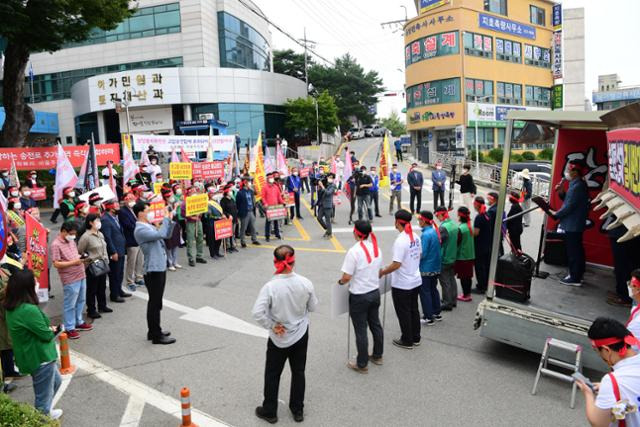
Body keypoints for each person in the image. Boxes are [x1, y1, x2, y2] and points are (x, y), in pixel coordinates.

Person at [252, 245, 317, 424]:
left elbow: (257, 312)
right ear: (294, 261)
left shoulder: (271, 287)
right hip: (301, 332)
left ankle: (270, 411)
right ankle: (297, 410)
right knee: (298, 371)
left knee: (273, 373)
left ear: (275, 262)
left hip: (279, 337)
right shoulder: (306, 283)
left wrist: (272, 325)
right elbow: (313, 307)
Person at [3, 269, 63, 419]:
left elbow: (36, 329)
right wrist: (55, 330)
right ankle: (42, 418)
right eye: (34, 282)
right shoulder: (28, 310)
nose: (37, 284)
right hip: (40, 358)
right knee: (42, 399)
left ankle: (47, 411)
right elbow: (46, 334)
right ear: (27, 288)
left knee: (56, 382)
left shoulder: (12, 307)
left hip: (30, 356)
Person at [338, 220, 384, 373]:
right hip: (374, 292)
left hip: (359, 295)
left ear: (356, 233)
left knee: (361, 329)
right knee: (375, 324)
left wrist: (340, 282)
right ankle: (377, 355)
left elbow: (346, 277)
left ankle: (362, 363)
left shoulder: (354, 251)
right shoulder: (377, 248)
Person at [576, 317, 640, 426]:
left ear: (606, 350)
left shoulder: (613, 381)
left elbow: (599, 423)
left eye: (597, 351)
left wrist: (588, 394)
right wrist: (614, 390)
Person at [133, 201, 175, 344]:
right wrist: (165, 217)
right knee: (154, 303)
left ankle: (154, 331)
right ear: (140, 213)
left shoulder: (148, 226)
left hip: (159, 266)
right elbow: (161, 233)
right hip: (153, 269)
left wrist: (169, 218)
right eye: (148, 210)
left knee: (156, 302)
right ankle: (156, 335)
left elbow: (166, 235)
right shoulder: (140, 229)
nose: (150, 212)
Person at [379, 210, 422, 349]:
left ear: (397, 222)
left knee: (403, 312)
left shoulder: (401, 240)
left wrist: (383, 272)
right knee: (413, 309)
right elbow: (419, 255)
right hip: (415, 280)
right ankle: (416, 337)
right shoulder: (415, 236)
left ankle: (407, 340)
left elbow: (396, 264)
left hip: (403, 284)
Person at [550, 161, 589, 286]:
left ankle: (575, 277)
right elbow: (569, 200)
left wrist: (556, 214)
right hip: (575, 223)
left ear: (575, 172)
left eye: (568, 170)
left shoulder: (577, 186)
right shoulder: (576, 184)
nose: (566, 172)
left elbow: (569, 206)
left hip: (573, 224)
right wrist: (561, 191)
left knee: (574, 251)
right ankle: (577, 274)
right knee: (577, 249)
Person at [51, 221, 92, 338]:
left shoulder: (71, 240)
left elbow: (75, 255)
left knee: (81, 300)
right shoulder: (56, 244)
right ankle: (69, 327)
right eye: (71, 233)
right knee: (70, 304)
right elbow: (56, 264)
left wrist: (82, 257)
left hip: (81, 273)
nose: (73, 236)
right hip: (69, 277)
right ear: (63, 231)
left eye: (74, 234)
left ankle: (78, 322)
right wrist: (75, 262)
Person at [77, 214, 113, 319]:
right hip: (92, 265)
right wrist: (87, 260)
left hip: (102, 264)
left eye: (99, 220)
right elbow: (80, 251)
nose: (99, 222)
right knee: (92, 289)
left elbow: (104, 248)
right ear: (90, 222)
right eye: (96, 220)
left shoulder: (100, 234)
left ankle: (102, 306)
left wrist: (106, 259)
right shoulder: (86, 237)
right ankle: (91, 310)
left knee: (102, 287)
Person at [101, 200, 131, 302]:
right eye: (116, 206)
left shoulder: (114, 218)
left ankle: (119, 290)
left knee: (120, 272)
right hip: (114, 251)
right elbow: (107, 238)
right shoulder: (105, 219)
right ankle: (114, 294)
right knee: (114, 274)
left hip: (120, 249)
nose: (119, 208)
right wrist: (113, 251)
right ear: (110, 208)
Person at [417, 211, 442, 325]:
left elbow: (423, 253)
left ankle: (428, 316)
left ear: (423, 221)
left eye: (419, 220)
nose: (418, 222)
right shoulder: (434, 231)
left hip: (426, 268)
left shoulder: (425, 235)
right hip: (435, 266)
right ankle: (436, 312)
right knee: (433, 289)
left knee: (425, 292)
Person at [119, 193, 145, 291]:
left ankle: (139, 277)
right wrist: (140, 225)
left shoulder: (136, 209)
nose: (130, 201)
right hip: (131, 239)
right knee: (131, 261)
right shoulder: (122, 211)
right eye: (128, 199)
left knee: (140, 260)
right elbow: (128, 225)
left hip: (140, 238)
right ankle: (130, 281)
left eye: (132, 198)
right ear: (124, 200)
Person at [435, 206, 458, 311]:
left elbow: (438, 243)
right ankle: (453, 300)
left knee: (445, 281)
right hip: (453, 255)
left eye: (437, 215)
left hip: (445, 257)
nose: (437, 218)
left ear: (441, 214)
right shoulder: (453, 224)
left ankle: (447, 302)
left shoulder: (443, 228)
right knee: (451, 279)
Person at [182, 187, 207, 267]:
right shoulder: (185, 202)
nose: (194, 192)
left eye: (194, 191)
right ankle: (191, 258)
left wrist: (200, 214)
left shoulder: (199, 200)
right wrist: (191, 217)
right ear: (189, 193)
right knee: (190, 240)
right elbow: (183, 214)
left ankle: (199, 256)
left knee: (200, 238)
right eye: (192, 191)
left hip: (198, 221)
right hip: (190, 223)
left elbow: (204, 208)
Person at [455, 207, 475, 302]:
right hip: (470, 254)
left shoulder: (461, 228)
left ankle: (466, 295)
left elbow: (457, 243)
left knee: (463, 277)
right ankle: (468, 293)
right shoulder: (469, 225)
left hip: (463, 256)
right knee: (468, 276)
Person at [472, 196, 491, 294]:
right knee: (485, 266)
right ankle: (486, 284)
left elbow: (476, 233)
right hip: (487, 244)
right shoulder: (487, 215)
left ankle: (481, 286)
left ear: (476, 205)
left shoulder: (479, 217)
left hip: (479, 246)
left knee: (479, 267)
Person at [237, 177, 260, 248]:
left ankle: (254, 239)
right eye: (249, 182)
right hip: (244, 212)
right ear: (245, 183)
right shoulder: (240, 193)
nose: (250, 183)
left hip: (251, 211)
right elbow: (238, 203)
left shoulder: (251, 191)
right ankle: (242, 241)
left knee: (253, 226)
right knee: (243, 228)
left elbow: (255, 195)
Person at [262, 172, 285, 242]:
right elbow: (263, 197)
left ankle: (277, 234)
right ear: (268, 179)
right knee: (268, 222)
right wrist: (265, 204)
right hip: (269, 207)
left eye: (272, 178)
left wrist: (282, 202)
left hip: (276, 206)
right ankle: (267, 236)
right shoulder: (265, 187)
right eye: (270, 178)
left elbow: (279, 197)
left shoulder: (275, 187)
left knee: (276, 221)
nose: (272, 179)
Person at [317, 173, 337, 238]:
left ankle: (330, 233)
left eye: (331, 177)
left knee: (327, 220)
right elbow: (320, 192)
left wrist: (322, 186)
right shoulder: (325, 184)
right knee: (319, 218)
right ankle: (327, 229)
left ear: (333, 179)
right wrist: (319, 187)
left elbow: (328, 193)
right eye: (329, 177)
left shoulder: (333, 186)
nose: (330, 178)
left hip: (328, 205)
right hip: (322, 204)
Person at [625, 270, 640, 337]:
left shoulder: (636, 325)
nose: (629, 288)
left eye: (630, 285)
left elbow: (630, 346)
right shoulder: (636, 307)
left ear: (637, 289)